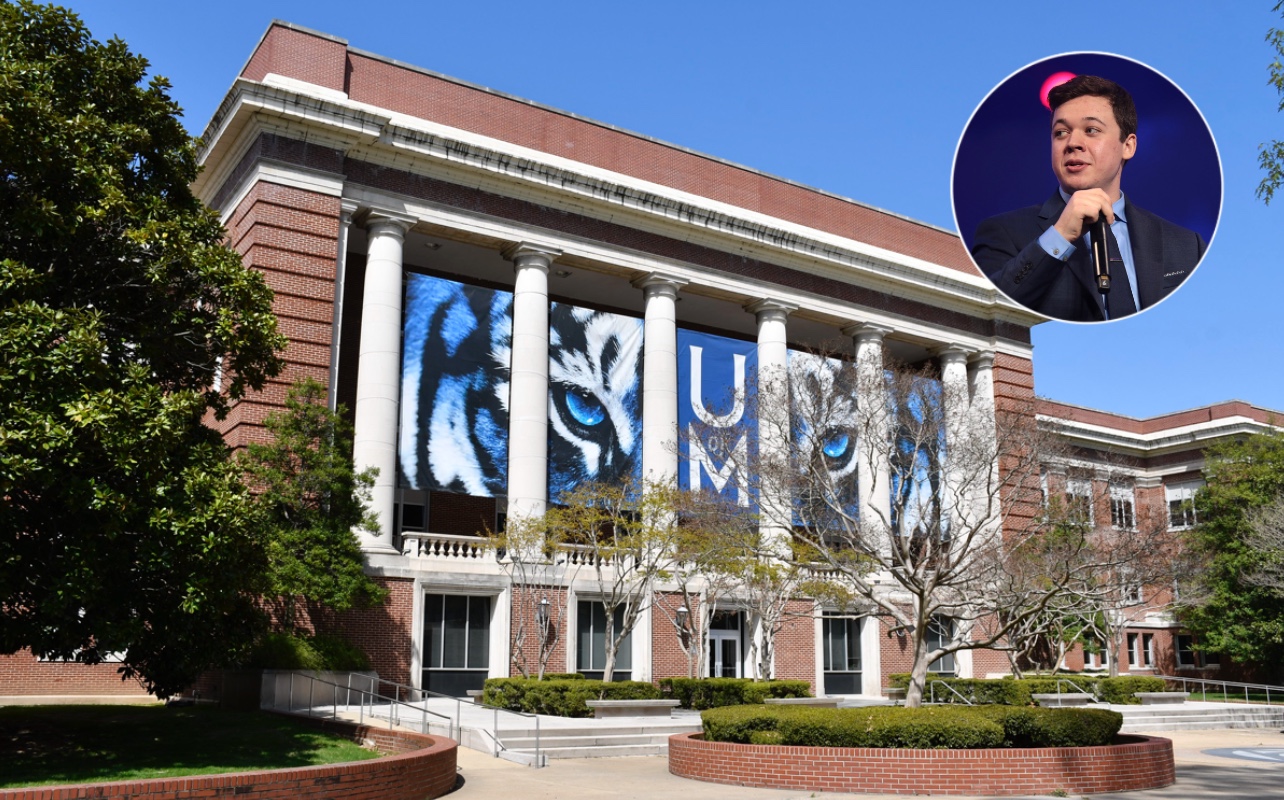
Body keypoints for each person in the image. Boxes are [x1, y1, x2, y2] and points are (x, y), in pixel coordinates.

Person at [971, 75, 1205, 322]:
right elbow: (989, 310)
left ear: (1128, 145)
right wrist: (1059, 237)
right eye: (1060, 133)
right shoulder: (1003, 233)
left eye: (1091, 130)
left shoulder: (1186, 246)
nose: (1072, 143)